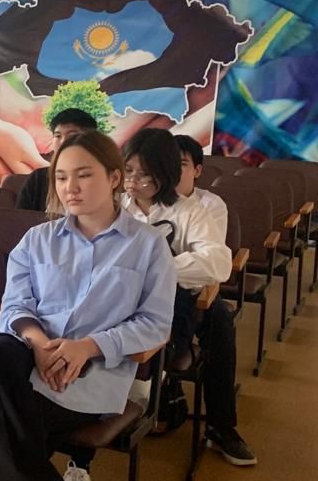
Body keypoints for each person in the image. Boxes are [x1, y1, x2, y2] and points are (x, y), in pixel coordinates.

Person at [0, 130, 176, 481]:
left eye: (84, 175)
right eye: (61, 177)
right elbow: (15, 304)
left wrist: (88, 347)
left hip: (91, 374)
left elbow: (155, 324)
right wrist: (39, 344)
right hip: (30, 361)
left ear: (114, 178)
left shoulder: (148, 245)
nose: (70, 188)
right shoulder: (38, 239)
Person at [122, 128, 254, 466]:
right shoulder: (115, 206)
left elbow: (217, 263)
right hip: (123, 297)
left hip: (184, 296)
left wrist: (153, 268)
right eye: (128, 171)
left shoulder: (195, 210)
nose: (133, 181)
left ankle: (221, 425)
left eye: (144, 173)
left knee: (219, 322)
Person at [17, 108, 99, 212]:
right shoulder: (38, 178)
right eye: (58, 136)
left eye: (72, 135)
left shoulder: (100, 176)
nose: (63, 141)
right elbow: (20, 218)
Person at [174, 135, 227, 232]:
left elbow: (210, 241)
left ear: (197, 171)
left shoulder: (210, 204)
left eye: (182, 164)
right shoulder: (148, 201)